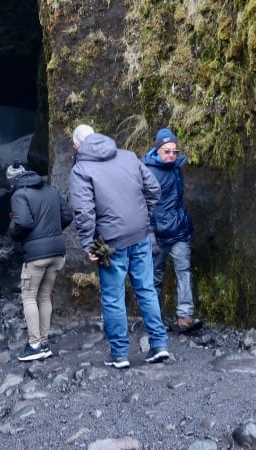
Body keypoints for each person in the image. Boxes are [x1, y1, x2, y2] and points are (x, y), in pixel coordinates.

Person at [68, 123, 170, 369]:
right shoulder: (128, 156)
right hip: (140, 234)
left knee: (114, 297)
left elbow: (84, 212)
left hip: (110, 243)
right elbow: (154, 189)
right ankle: (159, 345)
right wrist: (143, 218)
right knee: (146, 289)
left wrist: (89, 244)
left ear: (77, 145)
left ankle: (120, 354)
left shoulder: (81, 169)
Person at [6, 161, 74, 361]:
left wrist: (14, 233)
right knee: (44, 297)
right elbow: (68, 215)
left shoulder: (19, 194)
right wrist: (52, 233)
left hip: (36, 256)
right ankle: (44, 343)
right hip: (57, 253)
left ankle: (34, 344)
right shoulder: (51, 190)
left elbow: (24, 223)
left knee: (29, 297)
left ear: (13, 181)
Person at [143, 128, 203, 334]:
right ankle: (154, 320)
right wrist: (150, 234)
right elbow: (142, 205)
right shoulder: (147, 171)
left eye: (174, 151)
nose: (171, 155)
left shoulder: (176, 166)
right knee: (154, 278)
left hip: (179, 230)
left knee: (184, 272)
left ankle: (185, 317)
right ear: (157, 149)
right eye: (167, 151)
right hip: (157, 234)